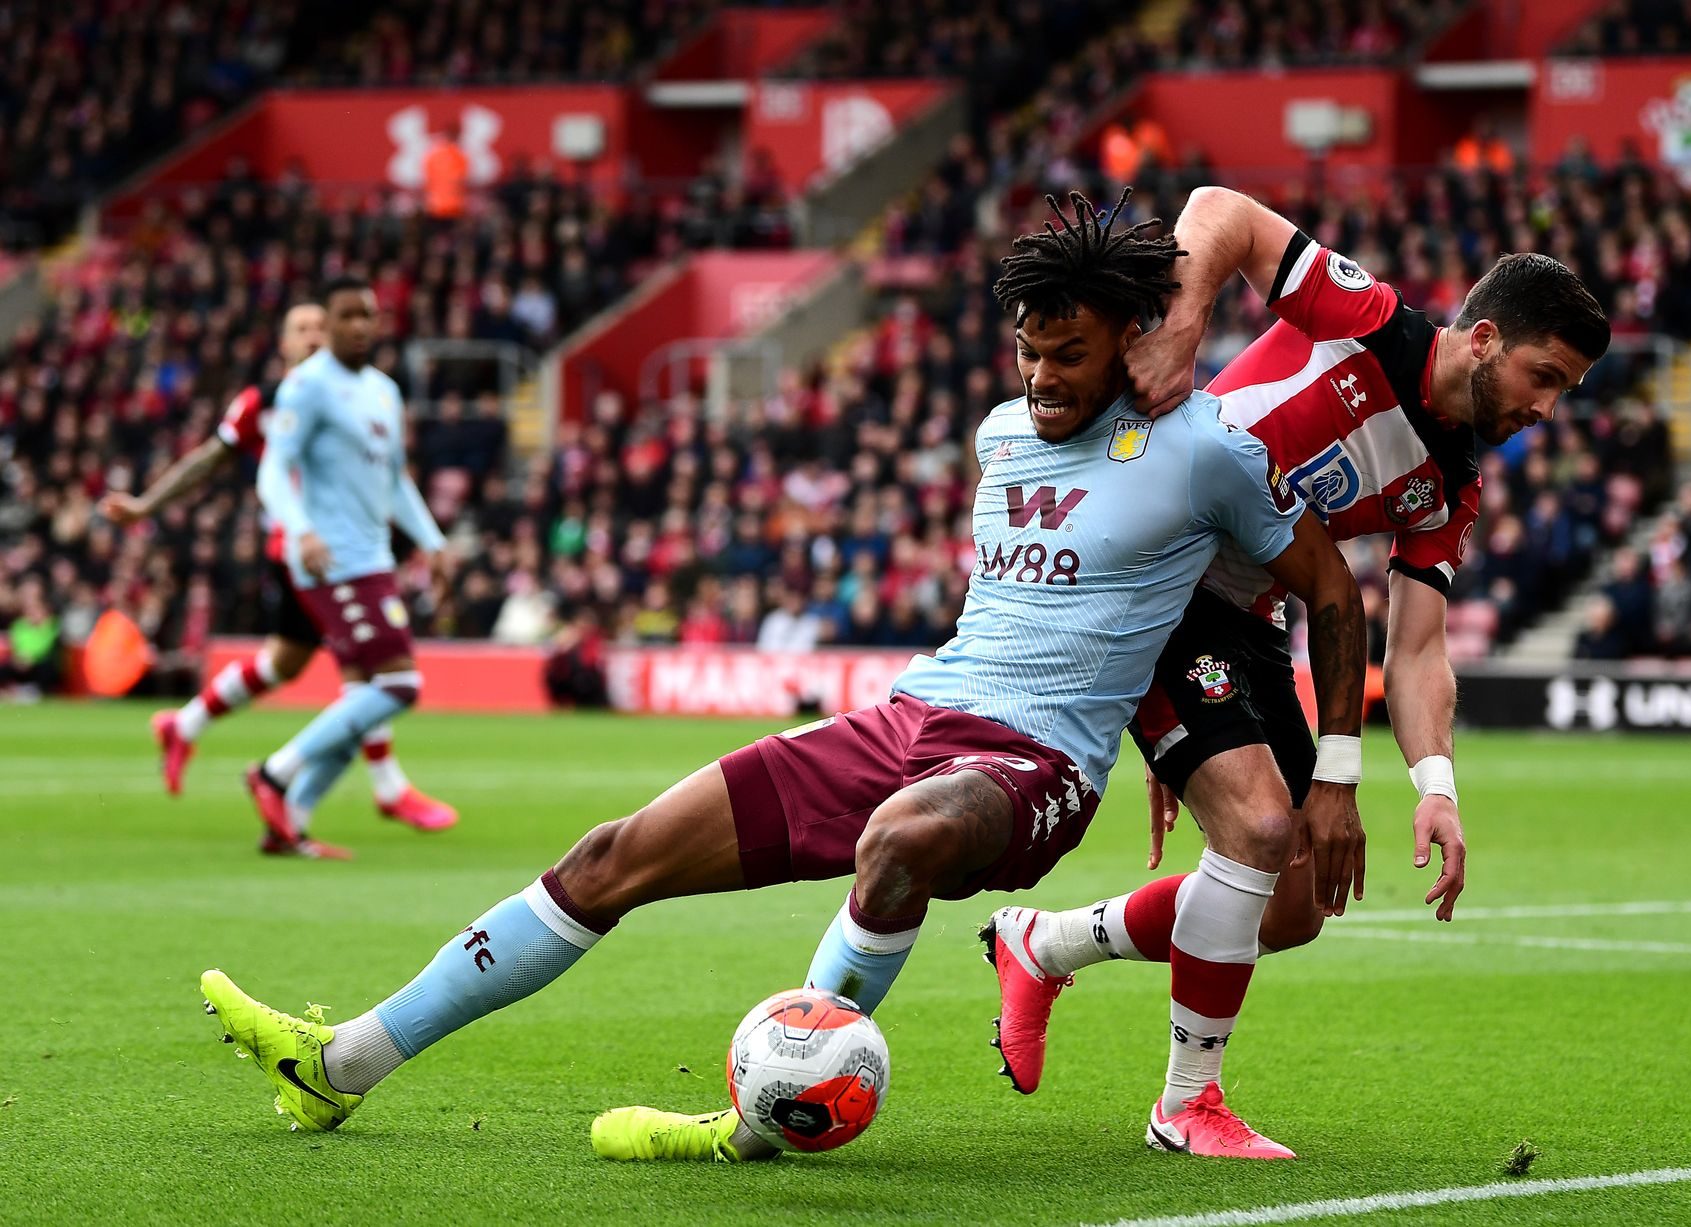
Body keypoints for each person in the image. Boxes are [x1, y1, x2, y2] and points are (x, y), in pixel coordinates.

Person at [196, 190, 1368, 1163]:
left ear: (1132, 342)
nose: (1042, 377)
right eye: (1028, 351)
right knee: (611, 858)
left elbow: (1326, 591)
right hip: (912, 713)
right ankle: (343, 1060)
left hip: (1033, 767)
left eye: (1069, 354)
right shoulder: (999, 435)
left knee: (904, 838)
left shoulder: (1206, 448)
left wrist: (1330, 770)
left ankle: (764, 1116)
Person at [983, 185, 1609, 1155]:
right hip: (1154, 568)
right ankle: (1185, 1105)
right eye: (1544, 375)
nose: (1544, 407)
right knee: (1262, 822)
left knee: (1291, 906)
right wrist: (1183, 325)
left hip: (1247, 614)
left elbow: (1414, 650)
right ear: (1481, 338)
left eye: (1563, 391)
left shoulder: (1448, 487)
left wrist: (1433, 786)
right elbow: (1217, 210)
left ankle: (1044, 945)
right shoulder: (1366, 320)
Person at [101, 305, 458, 837]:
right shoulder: (264, 403)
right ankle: (375, 787)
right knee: (375, 675)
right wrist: (148, 505)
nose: (315, 336)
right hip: (304, 552)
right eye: (302, 330)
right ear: (283, 346)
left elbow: (387, 473)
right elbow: (208, 459)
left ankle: (189, 725)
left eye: (321, 326)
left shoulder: (356, 394)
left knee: (291, 664)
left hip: (347, 551)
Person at [238, 276, 454, 859]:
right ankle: (275, 774)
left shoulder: (384, 390)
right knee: (399, 682)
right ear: (328, 325)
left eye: (368, 315)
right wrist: (301, 530)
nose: (359, 325)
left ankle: (291, 823)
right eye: (347, 316)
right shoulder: (307, 388)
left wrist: (432, 542)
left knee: (363, 694)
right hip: (330, 558)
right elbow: (272, 472)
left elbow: (395, 481)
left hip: (373, 557)